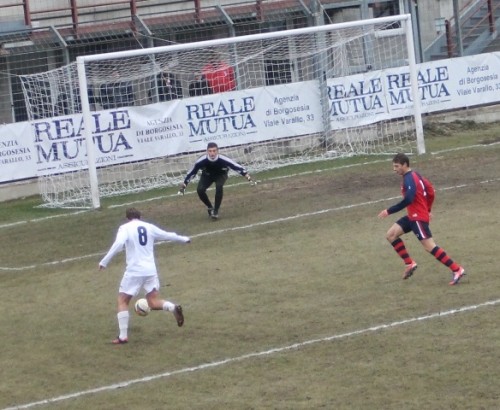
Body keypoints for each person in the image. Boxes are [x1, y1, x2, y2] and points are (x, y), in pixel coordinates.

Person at [99, 207, 190, 344]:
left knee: (123, 300)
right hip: (150, 271)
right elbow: (167, 235)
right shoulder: (149, 227)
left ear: (127, 218)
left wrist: (104, 261)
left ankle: (123, 336)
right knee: (152, 302)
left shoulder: (125, 228)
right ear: (139, 217)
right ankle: (173, 307)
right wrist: (184, 239)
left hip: (134, 271)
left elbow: (118, 244)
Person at [378, 153, 466, 285]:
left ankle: (457, 269)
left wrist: (389, 211)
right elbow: (430, 191)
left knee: (430, 247)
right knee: (391, 235)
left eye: (397, 166)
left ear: (405, 165)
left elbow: (409, 199)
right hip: (414, 216)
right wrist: (428, 209)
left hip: (417, 218)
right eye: (394, 166)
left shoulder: (408, 179)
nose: (394, 169)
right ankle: (409, 263)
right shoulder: (416, 175)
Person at [179, 142, 253, 220]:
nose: (212, 153)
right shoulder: (201, 160)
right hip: (207, 175)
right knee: (200, 190)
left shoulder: (223, 159)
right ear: (207, 152)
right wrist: (185, 183)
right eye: (210, 151)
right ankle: (210, 207)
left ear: (217, 151)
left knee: (219, 186)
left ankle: (216, 211)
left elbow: (235, 166)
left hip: (221, 175)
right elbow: (192, 172)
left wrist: (246, 175)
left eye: (214, 151)